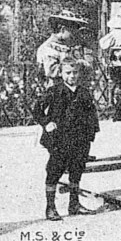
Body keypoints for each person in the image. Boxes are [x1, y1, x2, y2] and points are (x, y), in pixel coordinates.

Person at [32, 57, 99, 221]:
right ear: (61, 74)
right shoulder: (55, 91)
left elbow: (91, 113)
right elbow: (37, 109)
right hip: (60, 139)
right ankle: (50, 208)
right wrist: (46, 123)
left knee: (77, 170)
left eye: (75, 72)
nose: (72, 76)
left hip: (80, 138)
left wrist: (91, 133)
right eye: (68, 73)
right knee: (55, 170)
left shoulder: (84, 92)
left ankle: (74, 204)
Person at [36, 10, 88, 88]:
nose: (74, 35)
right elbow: (51, 71)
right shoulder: (48, 48)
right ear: (63, 30)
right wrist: (76, 65)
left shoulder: (67, 46)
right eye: (72, 31)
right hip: (55, 90)